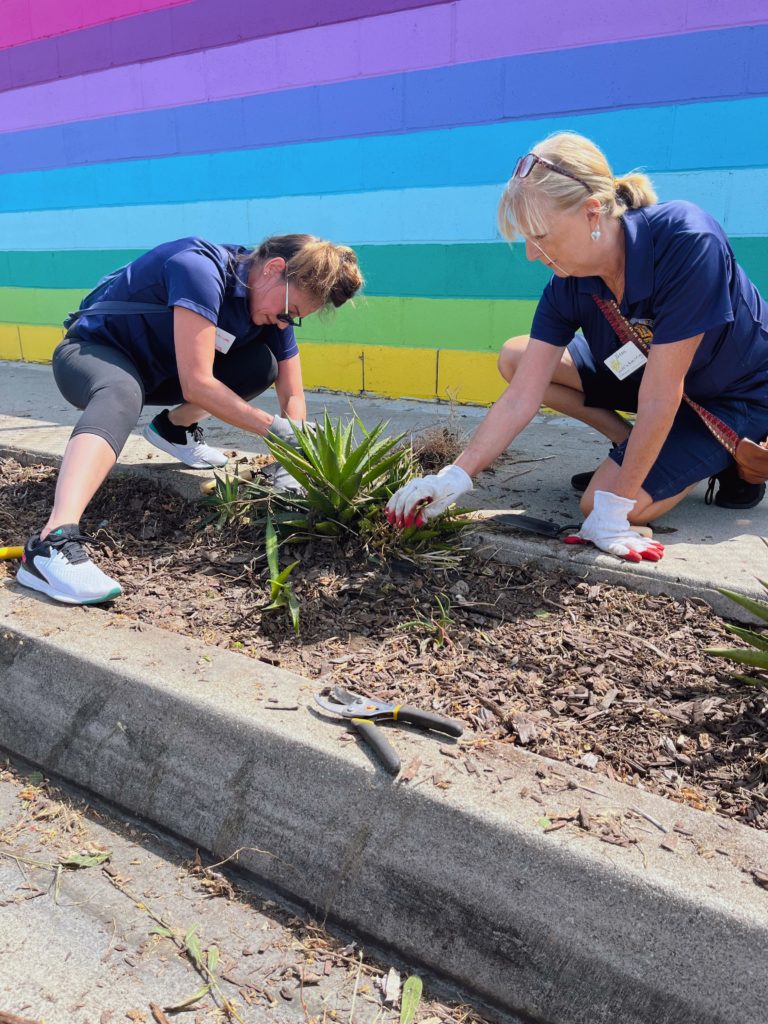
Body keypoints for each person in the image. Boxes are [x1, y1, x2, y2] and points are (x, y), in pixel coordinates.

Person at [387, 132, 768, 562]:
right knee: (517, 355)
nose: (532, 254)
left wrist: (614, 510)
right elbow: (523, 394)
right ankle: (633, 445)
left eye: (541, 237)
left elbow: (663, 393)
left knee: (598, 504)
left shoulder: (688, 240)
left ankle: (733, 460)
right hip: (647, 370)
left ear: (592, 213)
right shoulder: (568, 283)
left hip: (731, 395)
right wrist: (456, 475)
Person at [17, 234, 362, 604]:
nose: (283, 324)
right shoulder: (199, 268)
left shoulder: (271, 310)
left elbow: (292, 393)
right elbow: (198, 384)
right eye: (288, 312)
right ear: (274, 270)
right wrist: (276, 431)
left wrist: (290, 460)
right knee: (121, 392)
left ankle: (173, 430)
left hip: (161, 376)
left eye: (293, 320)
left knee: (261, 366)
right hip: (91, 355)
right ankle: (51, 544)